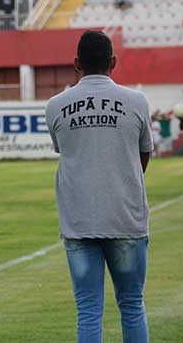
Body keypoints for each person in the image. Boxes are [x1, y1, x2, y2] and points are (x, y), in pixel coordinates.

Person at [45, 30, 153, 343]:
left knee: (88, 309)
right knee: (132, 305)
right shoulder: (136, 100)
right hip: (125, 217)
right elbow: (143, 154)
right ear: (113, 62)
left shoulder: (55, 105)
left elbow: (65, 149)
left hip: (79, 219)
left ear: (76, 64)